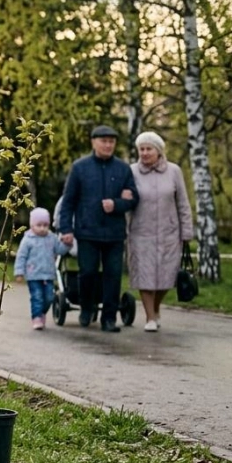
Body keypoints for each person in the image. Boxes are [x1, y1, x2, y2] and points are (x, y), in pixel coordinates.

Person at [58, 125, 137, 333]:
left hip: (114, 233)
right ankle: (86, 308)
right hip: (87, 232)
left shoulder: (123, 169)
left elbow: (133, 198)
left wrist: (117, 204)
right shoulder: (80, 168)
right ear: (93, 142)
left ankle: (109, 319)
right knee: (88, 273)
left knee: (113, 275)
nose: (108, 145)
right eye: (104, 141)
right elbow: (68, 202)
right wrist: (66, 228)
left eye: (112, 141)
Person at [127, 131, 193, 332]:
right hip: (141, 233)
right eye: (141, 149)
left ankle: (155, 308)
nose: (145, 153)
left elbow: (183, 203)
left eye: (149, 149)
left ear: (159, 151)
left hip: (169, 233)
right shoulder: (131, 172)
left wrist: (187, 230)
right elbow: (126, 203)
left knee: (167, 276)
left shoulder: (174, 171)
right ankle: (150, 317)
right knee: (144, 276)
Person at [14, 207, 70, 330]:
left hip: (48, 274)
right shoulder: (28, 240)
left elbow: (59, 250)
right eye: (39, 225)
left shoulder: (51, 238)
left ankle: (42, 313)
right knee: (37, 297)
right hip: (33, 275)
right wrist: (19, 272)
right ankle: (36, 317)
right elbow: (21, 256)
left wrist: (67, 244)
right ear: (32, 225)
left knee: (49, 297)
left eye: (45, 225)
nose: (42, 228)